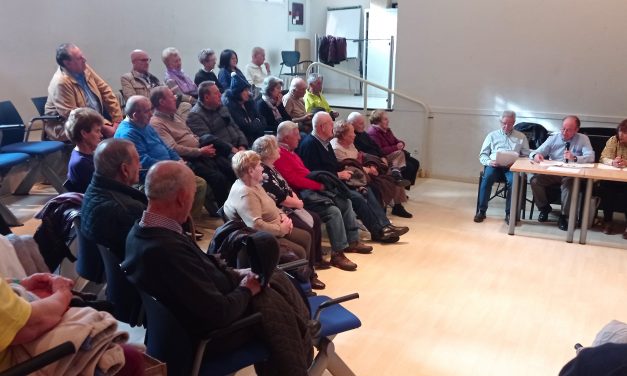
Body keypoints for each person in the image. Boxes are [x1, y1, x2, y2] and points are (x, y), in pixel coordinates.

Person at [122, 161, 313, 375]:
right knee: (271, 295)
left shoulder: (142, 232)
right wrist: (246, 289)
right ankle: (305, 333)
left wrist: (234, 273)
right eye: (194, 194)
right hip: (209, 337)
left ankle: (304, 325)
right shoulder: (166, 250)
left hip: (177, 330)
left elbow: (197, 271)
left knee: (272, 277)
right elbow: (220, 313)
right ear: (181, 197)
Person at [298, 112, 408, 243]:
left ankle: (384, 225)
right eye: (330, 124)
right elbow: (313, 172)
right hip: (325, 186)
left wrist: (342, 171)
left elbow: (331, 165)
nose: (333, 126)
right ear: (322, 127)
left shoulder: (324, 143)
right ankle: (378, 231)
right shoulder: (310, 144)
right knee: (357, 197)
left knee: (367, 190)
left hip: (336, 180)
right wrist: (338, 174)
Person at [274, 121, 369, 271]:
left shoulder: (291, 152)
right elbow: (294, 180)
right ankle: (338, 254)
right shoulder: (280, 154)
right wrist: (319, 186)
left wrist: (322, 184)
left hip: (309, 189)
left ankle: (353, 241)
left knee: (346, 202)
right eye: (296, 135)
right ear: (286, 138)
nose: (299, 138)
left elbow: (305, 173)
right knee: (333, 212)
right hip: (298, 196)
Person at [114, 95, 208, 220]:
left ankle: (184, 224)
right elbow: (142, 161)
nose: (151, 114)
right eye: (147, 111)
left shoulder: (146, 125)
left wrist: (178, 161)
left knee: (197, 179)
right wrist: (173, 167)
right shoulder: (128, 133)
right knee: (198, 184)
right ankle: (180, 224)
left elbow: (166, 147)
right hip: (148, 177)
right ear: (135, 115)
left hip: (165, 169)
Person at [252, 135, 328, 288]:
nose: (279, 149)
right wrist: (297, 204)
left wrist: (297, 201)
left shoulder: (272, 167)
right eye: (276, 147)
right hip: (279, 210)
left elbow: (286, 188)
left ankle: (316, 259)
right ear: (268, 151)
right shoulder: (264, 172)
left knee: (316, 218)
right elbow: (279, 197)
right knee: (308, 231)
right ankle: (309, 274)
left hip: (289, 206)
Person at [223, 151, 313, 277]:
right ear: (250, 171)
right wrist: (281, 229)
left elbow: (271, 203)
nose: (262, 168)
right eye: (259, 165)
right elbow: (255, 226)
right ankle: (297, 283)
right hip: (260, 237)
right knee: (299, 251)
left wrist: (282, 215)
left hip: (275, 224)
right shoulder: (246, 194)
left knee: (306, 237)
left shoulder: (254, 183)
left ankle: (307, 277)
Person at [150, 86, 235, 209]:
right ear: (161, 102)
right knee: (218, 178)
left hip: (201, 149)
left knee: (228, 167)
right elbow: (173, 148)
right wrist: (199, 151)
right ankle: (225, 211)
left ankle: (237, 203)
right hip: (188, 158)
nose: (175, 98)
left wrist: (201, 147)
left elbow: (190, 133)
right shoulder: (157, 123)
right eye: (171, 96)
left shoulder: (175, 115)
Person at [332, 120, 413, 218]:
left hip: (366, 165)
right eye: (352, 133)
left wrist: (374, 163)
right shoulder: (337, 149)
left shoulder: (351, 142)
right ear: (344, 136)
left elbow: (363, 154)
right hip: (356, 176)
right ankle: (383, 212)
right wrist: (369, 169)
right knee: (386, 180)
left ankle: (395, 205)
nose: (354, 135)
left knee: (394, 174)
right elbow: (351, 166)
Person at [81, 138, 145, 261]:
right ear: (125, 170)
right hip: (131, 275)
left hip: (108, 271)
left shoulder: (92, 190)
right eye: (137, 161)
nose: (141, 165)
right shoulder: (126, 209)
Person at [45, 43, 123, 139]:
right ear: (67, 63)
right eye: (79, 58)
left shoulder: (84, 68)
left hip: (93, 121)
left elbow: (106, 90)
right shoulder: (60, 82)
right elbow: (74, 116)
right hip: (69, 127)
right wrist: (103, 127)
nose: (84, 60)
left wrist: (118, 120)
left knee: (125, 132)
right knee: (114, 142)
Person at [530, 115, 594, 231]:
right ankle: (544, 208)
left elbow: (590, 157)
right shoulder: (553, 138)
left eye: (568, 130)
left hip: (572, 174)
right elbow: (536, 152)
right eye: (563, 128)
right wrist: (536, 156)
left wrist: (575, 158)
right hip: (554, 172)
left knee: (569, 185)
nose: (564, 132)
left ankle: (564, 216)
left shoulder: (583, 139)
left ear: (576, 130)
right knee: (535, 181)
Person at [475, 110, 530, 224]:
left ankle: (509, 214)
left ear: (514, 122)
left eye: (510, 124)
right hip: (495, 165)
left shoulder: (521, 136)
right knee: (487, 177)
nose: (506, 126)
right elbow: (482, 155)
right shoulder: (492, 135)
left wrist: (517, 160)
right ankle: (482, 210)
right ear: (500, 122)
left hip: (512, 167)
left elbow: (527, 154)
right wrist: (490, 162)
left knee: (514, 182)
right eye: (504, 123)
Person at [120, 49, 192, 120]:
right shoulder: (127, 78)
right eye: (143, 60)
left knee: (185, 105)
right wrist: (158, 101)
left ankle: (181, 129)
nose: (147, 63)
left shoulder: (153, 78)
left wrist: (170, 93)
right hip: (149, 112)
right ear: (134, 62)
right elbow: (134, 103)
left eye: (148, 60)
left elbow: (165, 90)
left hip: (163, 108)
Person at [348, 111, 410, 186]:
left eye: (363, 123)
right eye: (361, 124)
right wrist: (394, 148)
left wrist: (382, 156)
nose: (364, 125)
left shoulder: (364, 133)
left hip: (379, 157)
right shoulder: (357, 136)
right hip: (371, 161)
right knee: (402, 160)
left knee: (407, 160)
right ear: (351, 124)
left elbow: (376, 147)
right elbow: (361, 154)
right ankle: (396, 174)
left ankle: (396, 174)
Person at [187, 81, 249, 151]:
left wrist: (242, 145)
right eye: (216, 93)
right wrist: (230, 149)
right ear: (206, 97)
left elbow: (235, 127)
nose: (220, 95)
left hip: (239, 149)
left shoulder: (221, 106)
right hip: (224, 154)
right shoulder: (195, 116)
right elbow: (209, 140)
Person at [368, 109, 420, 187]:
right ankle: (397, 177)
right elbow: (380, 151)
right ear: (378, 121)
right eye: (385, 119)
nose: (388, 121)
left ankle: (403, 186)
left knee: (415, 162)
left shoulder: (387, 130)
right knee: (409, 166)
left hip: (394, 155)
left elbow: (396, 141)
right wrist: (396, 147)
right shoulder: (373, 133)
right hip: (383, 158)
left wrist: (401, 143)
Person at [598, 120, 627, 237]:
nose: (621, 141)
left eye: (624, 139)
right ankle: (607, 221)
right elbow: (603, 158)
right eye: (620, 137)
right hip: (613, 177)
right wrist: (612, 162)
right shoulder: (613, 140)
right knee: (606, 189)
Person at [63, 107, 103, 193]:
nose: (101, 135)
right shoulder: (81, 163)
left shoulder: (86, 154)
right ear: (84, 133)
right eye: (97, 131)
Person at [222, 72, 266, 146]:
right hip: (244, 142)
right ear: (237, 92)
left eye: (248, 90)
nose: (248, 93)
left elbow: (263, 120)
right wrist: (257, 122)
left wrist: (255, 123)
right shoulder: (231, 107)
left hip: (257, 138)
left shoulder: (249, 103)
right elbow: (246, 128)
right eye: (245, 90)